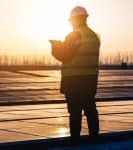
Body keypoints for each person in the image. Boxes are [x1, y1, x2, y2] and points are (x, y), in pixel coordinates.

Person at [50, 6, 100, 144]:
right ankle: (94, 138)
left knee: (75, 112)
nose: (70, 23)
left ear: (75, 19)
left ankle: (75, 141)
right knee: (90, 109)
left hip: (74, 80)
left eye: (71, 20)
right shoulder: (94, 36)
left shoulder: (75, 35)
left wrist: (55, 46)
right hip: (90, 79)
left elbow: (64, 55)